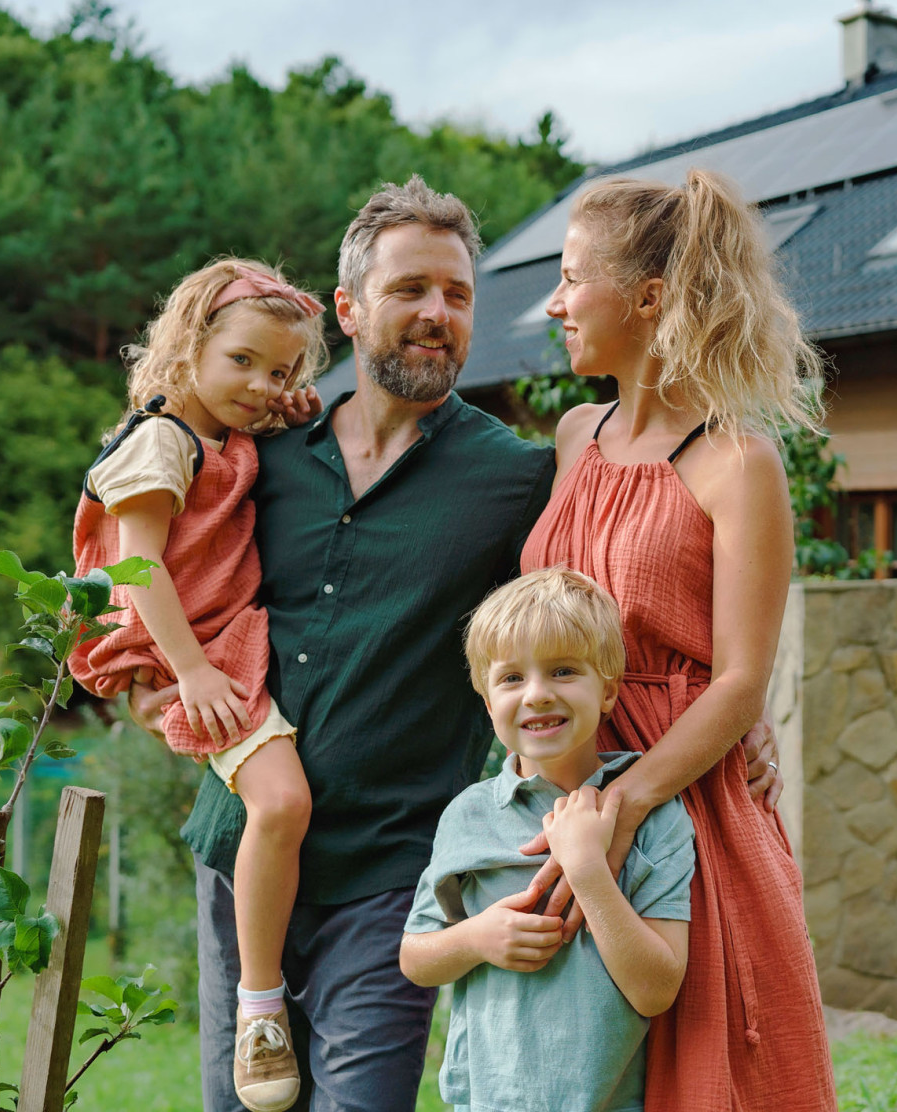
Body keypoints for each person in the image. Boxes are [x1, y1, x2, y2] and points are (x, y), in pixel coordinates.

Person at [128, 175, 783, 1111]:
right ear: (348, 310)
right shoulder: (253, 454)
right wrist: (140, 682)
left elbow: (598, 596)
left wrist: (737, 711)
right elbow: (143, 559)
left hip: (394, 865)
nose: (436, 313)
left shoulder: (516, 478)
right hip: (241, 847)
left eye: (458, 294)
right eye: (409, 290)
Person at [519, 168, 838, 1110]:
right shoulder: (574, 435)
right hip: (565, 789)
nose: (554, 303)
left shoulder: (738, 463)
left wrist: (623, 808)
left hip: (685, 806)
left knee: (708, 1071)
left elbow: (740, 682)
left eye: (572, 278)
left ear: (648, 298)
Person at [70, 258, 325, 1112]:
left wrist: (288, 410)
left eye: (280, 372)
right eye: (242, 361)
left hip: (219, 639)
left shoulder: (223, 433)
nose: (261, 386)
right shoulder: (161, 440)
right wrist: (189, 671)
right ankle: (260, 1008)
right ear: (187, 346)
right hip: (191, 648)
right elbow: (138, 565)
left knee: (278, 804)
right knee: (281, 803)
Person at [400, 566, 695, 1112]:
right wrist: (475, 939)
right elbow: (415, 958)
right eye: (512, 678)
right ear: (487, 702)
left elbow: (656, 991)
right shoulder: (468, 815)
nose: (537, 695)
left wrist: (587, 870)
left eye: (563, 671)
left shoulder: (656, 816)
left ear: (608, 691)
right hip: (487, 1100)